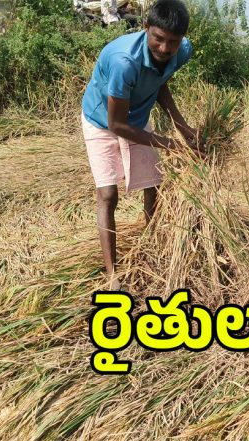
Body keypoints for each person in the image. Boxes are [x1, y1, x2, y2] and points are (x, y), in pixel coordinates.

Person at [81, 0, 202, 290]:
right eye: (158, 39)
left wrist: (183, 128)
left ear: (182, 39)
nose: (164, 48)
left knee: (153, 185)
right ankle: (112, 274)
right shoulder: (124, 61)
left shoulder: (181, 52)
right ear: (146, 28)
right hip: (102, 120)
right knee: (108, 194)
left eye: (172, 42)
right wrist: (171, 143)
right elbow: (117, 125)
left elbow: (160, 83)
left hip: (136, 115)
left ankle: (151, 246)